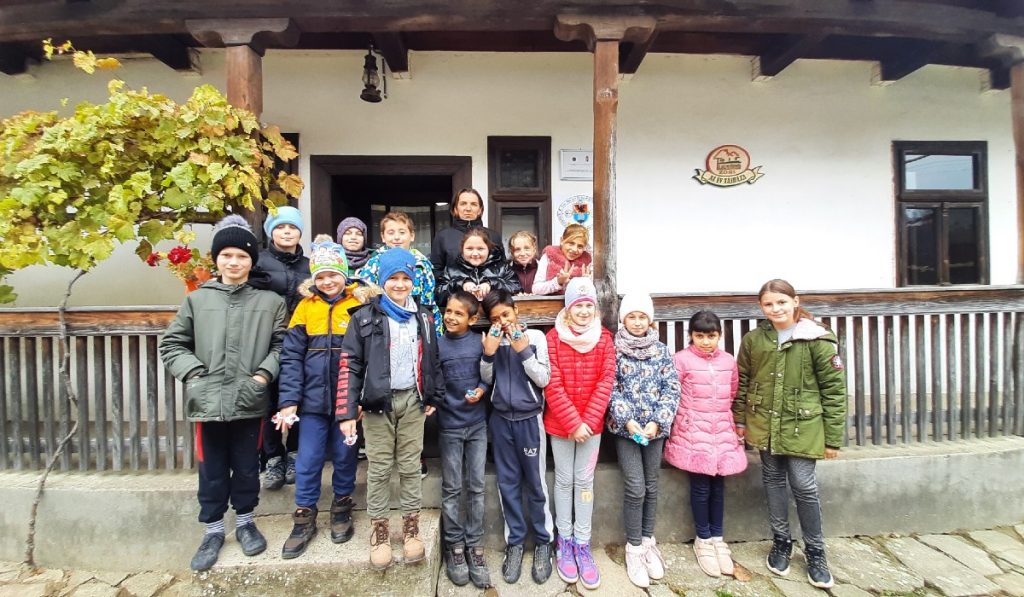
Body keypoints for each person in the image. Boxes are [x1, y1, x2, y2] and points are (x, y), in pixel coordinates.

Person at [159, 215, 287, 572]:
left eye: (242, 256)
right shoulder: (198, 300)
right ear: (217, 259)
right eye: (227, 255)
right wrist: (194, 374)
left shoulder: (270, 302)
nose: (234, 262)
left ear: (251, 261)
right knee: (212, 468)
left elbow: (281, 346)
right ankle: (213, 530)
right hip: (208, 400)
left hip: (250, 398)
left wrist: (262, 376)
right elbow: (172, 344)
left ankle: (245, 522)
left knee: (247, 465)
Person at [734, 279, 847, 589]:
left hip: (803, 425)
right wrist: (740, 419)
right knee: (772, 481)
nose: (776, 309)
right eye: (769, 304)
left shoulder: (817, 339)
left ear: (795, 301)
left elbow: (834, 390)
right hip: (765, 423)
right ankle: (781, 540)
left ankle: (816, 551)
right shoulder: (755, 340)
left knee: (804, 485)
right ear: (761, 307)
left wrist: (833, 438)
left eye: (781, 302)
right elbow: (743, 381)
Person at [336, 248, 444, 571]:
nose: (399, 284)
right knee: (380, 467)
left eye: (405, 278)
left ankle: (411, 526)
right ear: (382, 281)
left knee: (410, 466)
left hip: (412, 400)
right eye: (393, 278)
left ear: (413, 280)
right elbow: (350, 364)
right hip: (376, 404)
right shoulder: (364, 317)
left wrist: (433, 395)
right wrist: (346, 411)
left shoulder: (424, 316)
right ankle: (380, 529)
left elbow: (433, 359)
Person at [275, 235, 373, 559]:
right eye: (321, 276)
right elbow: (291, 356)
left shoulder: (358, 305)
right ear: (314, 279)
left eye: (333, 274)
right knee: (309, 457)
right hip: (312, 400)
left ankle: (342, 506)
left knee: (345, 456)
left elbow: (370, 357)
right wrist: (289, 399)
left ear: (344, 274)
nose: (327, 281)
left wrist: (361, 398)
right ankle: (304, 515)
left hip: (346, 399)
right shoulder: (305, 307)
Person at [544, 277, 615, 590]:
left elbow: (606, 380)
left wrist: (588, 420)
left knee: (585, 482)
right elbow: (552, 383)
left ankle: (583, 544)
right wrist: (573, 422)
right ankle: (565, 540)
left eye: (589, 305)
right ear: (568, 309)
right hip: (561, 424)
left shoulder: (604, 339)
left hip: (592, 425)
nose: (584, 311)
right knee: (564, 480)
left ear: (595, 309)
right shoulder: (553, 338)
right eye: (578, 306)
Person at [605, 294, 680, 588]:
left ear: (650, 320)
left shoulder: (661, 350)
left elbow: (671, 387)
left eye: (642, 317)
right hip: (626, 430)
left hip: (654, 429)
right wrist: (627, 419)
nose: (637, 322)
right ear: (623, 320)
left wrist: (658, 421)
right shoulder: (615, 349)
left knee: (651, 485)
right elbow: (610, 387)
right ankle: (634, 547)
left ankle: (648, 541)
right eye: (631, 317)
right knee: (635, 487)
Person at [665, 310, 747, 578]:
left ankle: (718, 538)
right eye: (699, 336)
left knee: (718, 487)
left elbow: (732, 392)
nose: (705, 341)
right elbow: (673, 393)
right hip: (693, 433)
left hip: (721, 431)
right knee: (700, 487)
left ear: (719, 336)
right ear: (691, 335)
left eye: (711, 336)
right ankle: (703, 538)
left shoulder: (728, 361)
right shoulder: (681, 360)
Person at [480, 289, 553, 585]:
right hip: (500, 421)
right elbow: (486, 380)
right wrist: (488, 353)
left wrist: (523, 351)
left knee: (535, 483)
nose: (502, 322)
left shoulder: (535, 338)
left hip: (529, 420)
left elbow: (543, 379)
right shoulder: (491, 339)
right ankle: (515, 543)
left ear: (516, 311)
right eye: (495, 318)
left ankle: (544, 541)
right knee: (507, 483)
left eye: (506, 315)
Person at [437, 290, 492, 588]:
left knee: (477, 486)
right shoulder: (438, 345)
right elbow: (434, 381)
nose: (451, 317)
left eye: (459, 313)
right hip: (449, 426)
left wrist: (481, 389)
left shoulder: (478, 343)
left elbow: (488, 374)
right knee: (452, 487)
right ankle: (454, 546)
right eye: (448, 311)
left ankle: (474, 544)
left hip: (477, 425)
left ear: (472, 319)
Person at [256, 205, 309, 491]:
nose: (287, 232)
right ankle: (273, 457)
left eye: (292, 227)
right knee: (270, 400)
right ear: (270, 232)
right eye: (280, 227)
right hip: (268, 340)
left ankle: (294, 454)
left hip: (302, 340)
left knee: (300, 396)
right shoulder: (258, 262)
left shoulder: (309, 266)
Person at [355, 211, 442, 336]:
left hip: (415, 325)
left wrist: (434, 333)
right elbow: (366, 297)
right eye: (391, 233)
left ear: (412, 235)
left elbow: (428, 302)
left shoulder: (422, 264)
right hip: (382, 326)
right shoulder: (374, 263)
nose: (396, 237)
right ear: (383, 236)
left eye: (402, 232)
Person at [430, 187, 504, 282]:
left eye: (473, 204)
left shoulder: (493, 236)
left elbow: (502, 269)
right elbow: (436, 271)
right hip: (455, 290)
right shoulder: (443, 237)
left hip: (489, 290)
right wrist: (458, 284)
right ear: (455, 209)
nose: (468, 209)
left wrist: (488, 284)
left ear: (480, 210)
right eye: (463, 204)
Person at [436, 228, 520, 307]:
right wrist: (460, 284)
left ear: (488, 249)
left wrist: (492, 284)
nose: (475, 254)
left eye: (480, 249)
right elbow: (439, 295)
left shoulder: (502, 268)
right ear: (462, 249)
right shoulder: (451, 270)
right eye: (469, 248)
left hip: (495, 316)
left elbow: (516, 288)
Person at [532, 224, 593, 296]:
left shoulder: (587, 262)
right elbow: (536, 289)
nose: (574, 249)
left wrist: (587, 282)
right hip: (552, 302)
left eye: (580, 246)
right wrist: (558, 282)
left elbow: (594, 292)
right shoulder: (548, 257)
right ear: (561, 240)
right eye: (571, 244)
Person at [508, 230, 539, 294]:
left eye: (527, 248)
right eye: (517, 249)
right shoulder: (507, 270)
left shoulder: (542, 268)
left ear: (534, 249)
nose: (522, 253)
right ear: (512, 252)